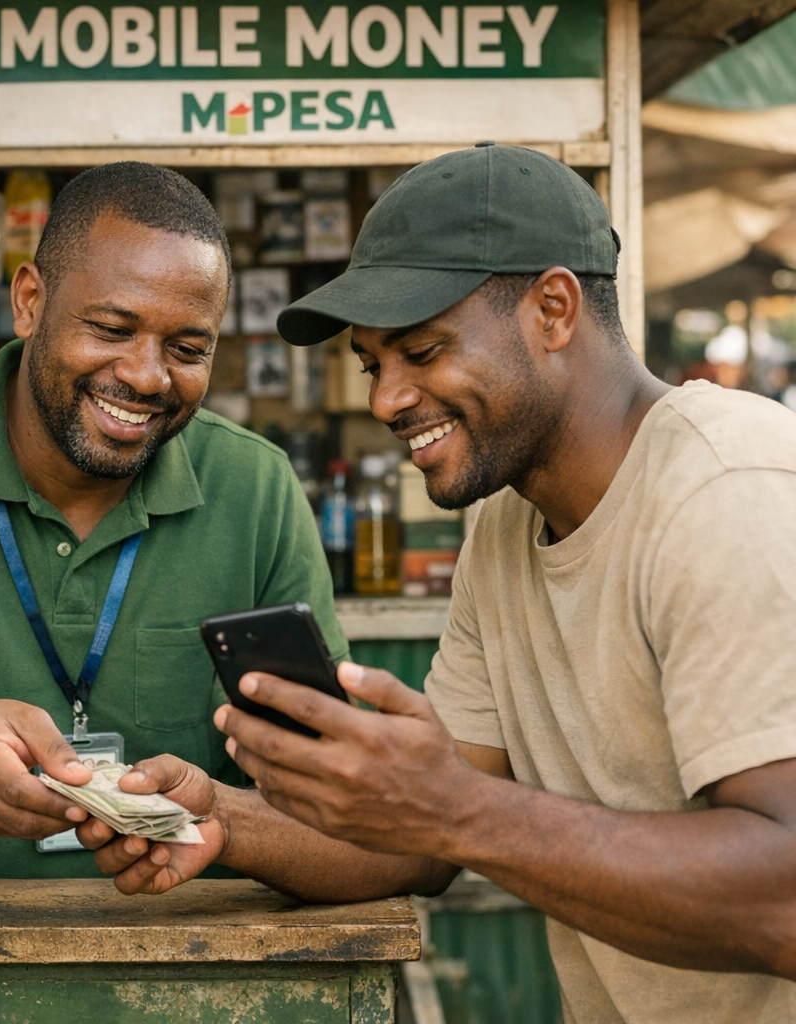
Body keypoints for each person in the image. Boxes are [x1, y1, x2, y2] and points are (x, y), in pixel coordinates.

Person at [94, 145, 796, 1023]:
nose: (390, 398)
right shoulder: (504, 529)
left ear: (552, 309)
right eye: (373, 366)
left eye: (422, 351)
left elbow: (785, 900)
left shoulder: (728, 489)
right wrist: (225, 819)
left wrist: (457, 809)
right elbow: (416, 846)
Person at [0, 161, 352, 880]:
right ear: (28, 301)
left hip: (186, 969)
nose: (147, 376)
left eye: (188, 349)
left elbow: (342, 815)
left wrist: (220, 820)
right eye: (112, 328)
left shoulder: (255, 488)